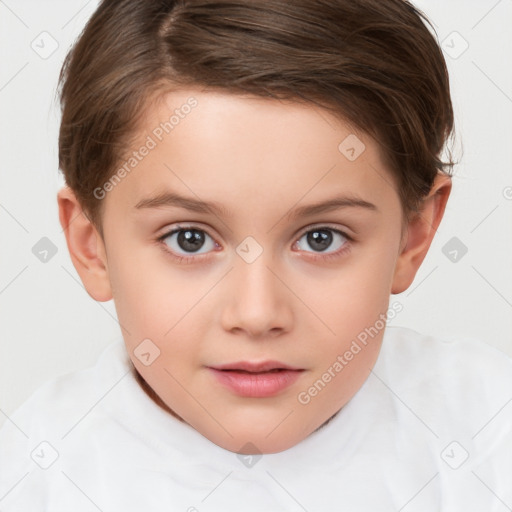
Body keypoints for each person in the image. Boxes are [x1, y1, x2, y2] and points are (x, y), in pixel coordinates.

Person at [1, 0, 511, 509]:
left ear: (413, 235)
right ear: (93, 249)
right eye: (190, 239)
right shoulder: (31, 478)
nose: (257, 313)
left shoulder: (488, 433)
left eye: (321, 238)